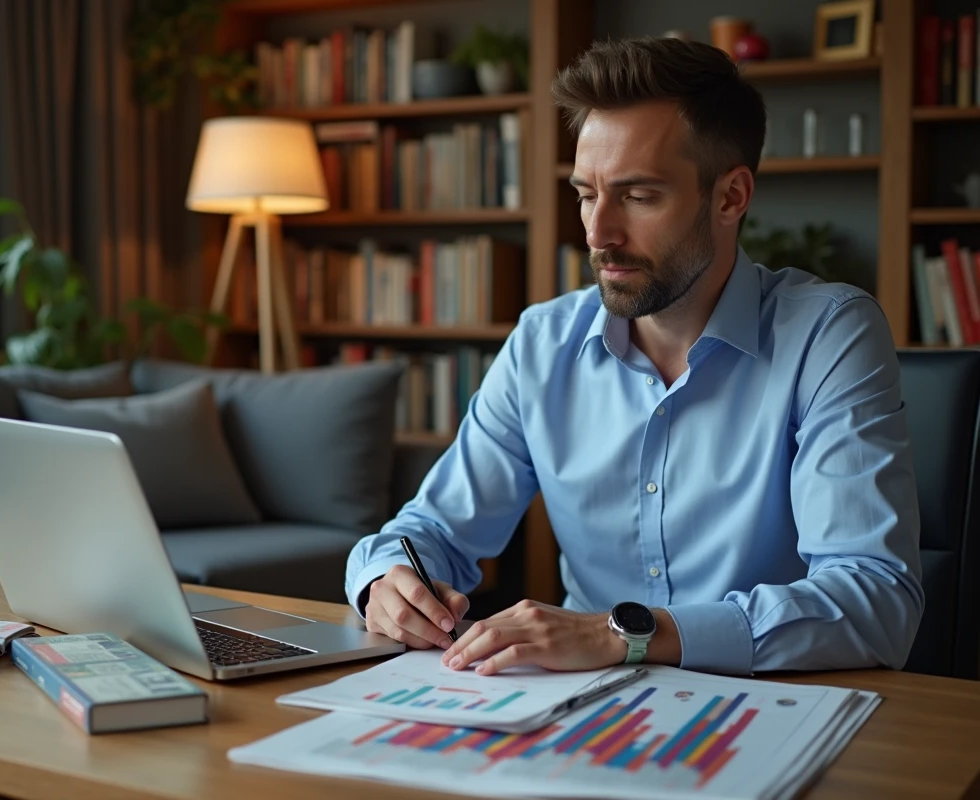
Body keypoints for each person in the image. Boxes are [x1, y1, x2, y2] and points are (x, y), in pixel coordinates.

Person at [344, 36, 923, 677]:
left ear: (730, 197)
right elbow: (432, 529)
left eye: (638, 196)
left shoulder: (829, 335)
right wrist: (387, 581)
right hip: (572, 709)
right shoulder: (543, 344)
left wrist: (623, 634)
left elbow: (875, 601)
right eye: (587, 194)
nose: (597, 233)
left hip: (773, 706)